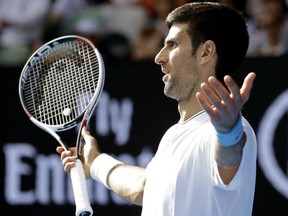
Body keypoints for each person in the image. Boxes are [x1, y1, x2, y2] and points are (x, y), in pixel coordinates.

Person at [57, 2, 257, 216]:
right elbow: (144, 187)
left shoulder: (234, 131)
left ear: (206, 52)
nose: (159, 57)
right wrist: (96, 163)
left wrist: (228, 132)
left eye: (172, 45)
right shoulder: (174, 135)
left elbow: (228, 156)